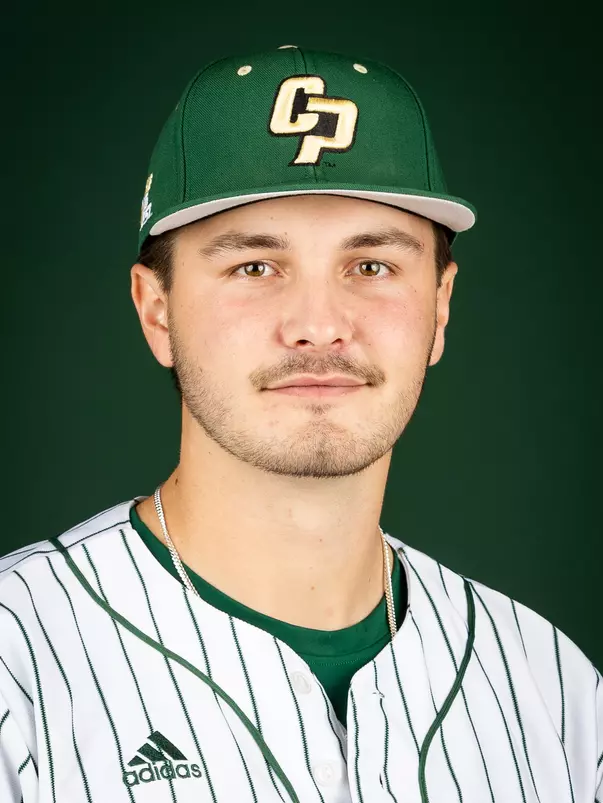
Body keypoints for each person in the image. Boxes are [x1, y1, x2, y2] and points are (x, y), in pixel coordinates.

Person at [0, 45, 601, 803]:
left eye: (371, 266)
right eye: (254, 267)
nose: (319, 325)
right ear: (157, 311)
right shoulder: (17, 669)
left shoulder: (552, 688)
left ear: (440, 306)